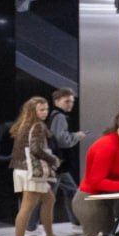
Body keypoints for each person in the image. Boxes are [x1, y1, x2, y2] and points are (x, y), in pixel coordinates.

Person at [8, 96, 66, 236]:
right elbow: (36, 149)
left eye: (46, 109)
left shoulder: (23, 125)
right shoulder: (38, 126)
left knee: (49, 199)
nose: (45, 112)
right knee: (27, 206)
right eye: (41, 109)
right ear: (33, 111)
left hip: (22, 169)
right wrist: (53, 160)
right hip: (31, 171)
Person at [48, 87, 85, 226]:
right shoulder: (59, 117)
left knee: (70, 190)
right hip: (58, 162)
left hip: (58, 163)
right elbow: (62, 140)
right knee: (48, 196)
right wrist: (77, 136)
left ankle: (77, 223)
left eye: (72, 101)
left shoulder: (54, 115)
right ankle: (32, 228)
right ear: (57, 101)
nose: (70, 104)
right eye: (67, 101)